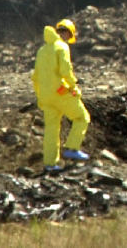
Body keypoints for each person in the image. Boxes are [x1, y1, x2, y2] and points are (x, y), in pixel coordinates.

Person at [31, 18, 91, 172]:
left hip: (45, 96)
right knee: (82, 117)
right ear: (67, 33)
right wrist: (73, 86)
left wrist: (40, 96)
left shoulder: (42, 50)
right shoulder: (61, 47)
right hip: (61, 92)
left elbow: (36, 76)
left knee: (51, 129)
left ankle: (50, 164)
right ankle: (72, 147)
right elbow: (65, 71)